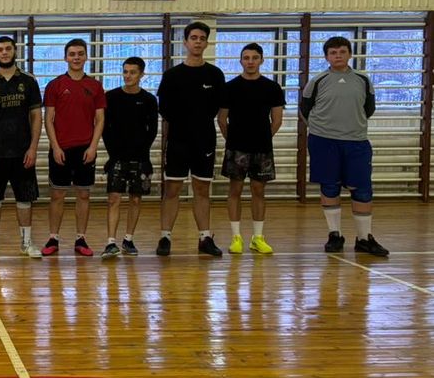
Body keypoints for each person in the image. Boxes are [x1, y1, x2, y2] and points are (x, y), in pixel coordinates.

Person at [300, 36, 388, 257]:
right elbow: (305, 110)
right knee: (330, 186)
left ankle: (364, 238)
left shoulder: (363, 80)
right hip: (324, 141)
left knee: (362, 189)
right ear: (326, 57)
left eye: (342, 52)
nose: (338, 56)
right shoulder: (317, 81)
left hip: (356, 142)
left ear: (349, 54)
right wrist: (323, 129)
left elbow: (368, 109)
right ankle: (335, 235)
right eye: (333, 53)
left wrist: (350, 126)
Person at [156, 21, 226, 257]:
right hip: (178, 140)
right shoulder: (172, 75)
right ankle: (165, 237)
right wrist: (167, 142)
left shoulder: (215, 74)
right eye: (193, 38)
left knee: (202, 189)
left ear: (206, 43)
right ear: (185, 42)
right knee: (172, 189)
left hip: (204, 139)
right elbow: (165, 112)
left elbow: (220, 109)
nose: (198, 42)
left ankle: (205, 237)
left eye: (202, 38)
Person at [0, 36, 43, 259]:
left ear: (15, 51)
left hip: (23, 152)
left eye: (8, 49)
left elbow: (36, 116)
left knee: (25, 199)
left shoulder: (29, 81)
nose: (4, 52)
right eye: (0, 49)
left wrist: (33, 148)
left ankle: (26, 243)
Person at [217, 43, 285, 255]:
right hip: (236, 148)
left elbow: (277, 120)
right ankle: (236, 237)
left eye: (255, 58)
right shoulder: (230, 87)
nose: (250, 61)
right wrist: (234, 140)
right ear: (241, 61)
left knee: (258, 190)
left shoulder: (272, 88)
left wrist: (262, 138)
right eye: (246, 58)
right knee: (235, 190)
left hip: (262, 148)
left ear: (261, 60)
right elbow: (222, 120)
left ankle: (258, 237)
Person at [41, 38, 105, 257]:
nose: (76, 57)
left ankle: (81, 238)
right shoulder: (55, 85)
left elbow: (100, 119)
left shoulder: (95, 86)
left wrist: (93, 146)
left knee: (83, 194)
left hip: (85, 149)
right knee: (57, 194)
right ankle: (53, 238)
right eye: (72, 54)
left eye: (80, 53)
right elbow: (48, 119)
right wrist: (55, 147)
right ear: (65, 57)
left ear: (86, 56)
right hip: (61, 149)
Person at [100, 56, 158, 258]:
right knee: (113, 198)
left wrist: (142, 153)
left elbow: (152, 130)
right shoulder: (111, 97)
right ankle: (111, 242)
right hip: (117, 157)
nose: (128, 76)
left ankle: (128, 239)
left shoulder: (149, 100)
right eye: (125, 72)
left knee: (135, 199)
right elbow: (105, 128)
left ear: (142, 74)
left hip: (140, 158)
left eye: (133, 72)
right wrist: (113, 154)